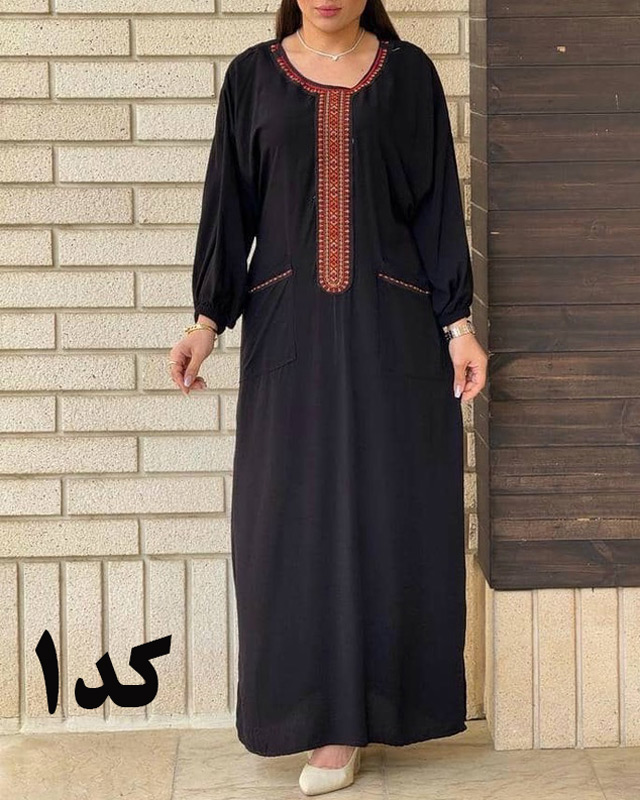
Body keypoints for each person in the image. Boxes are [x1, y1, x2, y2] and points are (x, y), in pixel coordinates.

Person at [168, 0, 488, 795]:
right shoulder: (253, 77)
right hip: (290, 331)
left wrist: (458, 326)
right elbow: (229, 206)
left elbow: (437, 208)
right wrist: (207, 321)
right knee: (289, 521)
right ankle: (314, 715)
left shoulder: (409, 76)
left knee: (390, 512)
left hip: (393, 331)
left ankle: (369, 717)